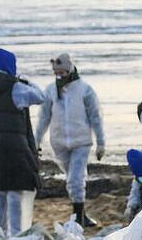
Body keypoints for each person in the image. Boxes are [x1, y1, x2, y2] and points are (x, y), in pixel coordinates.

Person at [0, 48, 46, 236]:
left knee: (0, 187)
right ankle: (17, 234)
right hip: (14, 146)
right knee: (16, 189)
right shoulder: (14, 87)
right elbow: (41, 96)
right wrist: (26, 80)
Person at [35, 53, 105, 229]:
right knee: (71, 180)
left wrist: (101, 142)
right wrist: (36, 141)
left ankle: (79, 216)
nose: (59, 76)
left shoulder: (84, 90)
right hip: (59, 143)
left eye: (62, 73)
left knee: (75, 179)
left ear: (69, 70)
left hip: (81, 141)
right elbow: (44, 117)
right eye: (56, 73)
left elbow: (95, 116)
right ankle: (79, 213)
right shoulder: (51, 90)